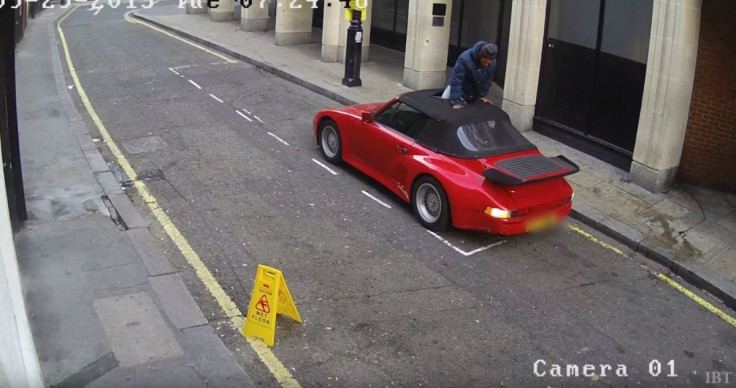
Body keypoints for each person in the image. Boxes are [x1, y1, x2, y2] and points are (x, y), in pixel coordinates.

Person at [441, 41, 498, 109]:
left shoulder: (493, 63)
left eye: (489, 63)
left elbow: (487, 81)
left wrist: (481, 96)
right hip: (457, 90)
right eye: (485, 62)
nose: (486, 65)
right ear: (480, 55)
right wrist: (456, 102)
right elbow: (457, 80)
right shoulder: (464, 59)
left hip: (472, 93)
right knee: (443, 108)